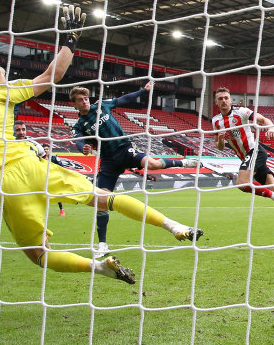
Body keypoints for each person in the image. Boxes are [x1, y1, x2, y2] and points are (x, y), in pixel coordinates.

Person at [0, 5, 202, 285]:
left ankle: (98, 268)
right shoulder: (2, 92)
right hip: (29, 163)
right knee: (106, 199)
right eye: (4, 77)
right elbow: (54, 74)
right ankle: (175, 226)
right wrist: (70, 39)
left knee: (38, 256)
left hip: (1, 182)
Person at [70, 82, 201, 258]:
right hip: (108, 161)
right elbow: (79, 141)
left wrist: (143, 91)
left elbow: (124, 99)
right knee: (101, 201)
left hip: (125, 149)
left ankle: (184, 163)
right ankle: (102, 244)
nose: (85, 101)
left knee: (152, 164)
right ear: (75, 104)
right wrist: (83, 148)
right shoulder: (79, 125)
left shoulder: (101, 105)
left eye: (86, 98)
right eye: (80, 99)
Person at [210, 87, 274, 239]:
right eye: (220, 98)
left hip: (255, 151)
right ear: (216, 102)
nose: (223, 101)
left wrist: (271, 128)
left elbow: (263, 120)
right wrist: (221, 139)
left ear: (230, 100)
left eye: (226, 98)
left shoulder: (241, 112)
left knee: (242, 183)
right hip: (247, 158)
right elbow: (219, 146)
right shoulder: (216, 122)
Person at [0, 124, 62, 250]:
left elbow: (44, 160)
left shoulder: (34, 145)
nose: (21, 132)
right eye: (18, 130)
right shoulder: (7, 143)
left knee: (28, 211)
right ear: (14, 131)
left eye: (23, 129)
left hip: (28, 182)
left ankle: (42, 235)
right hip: (10, 181)